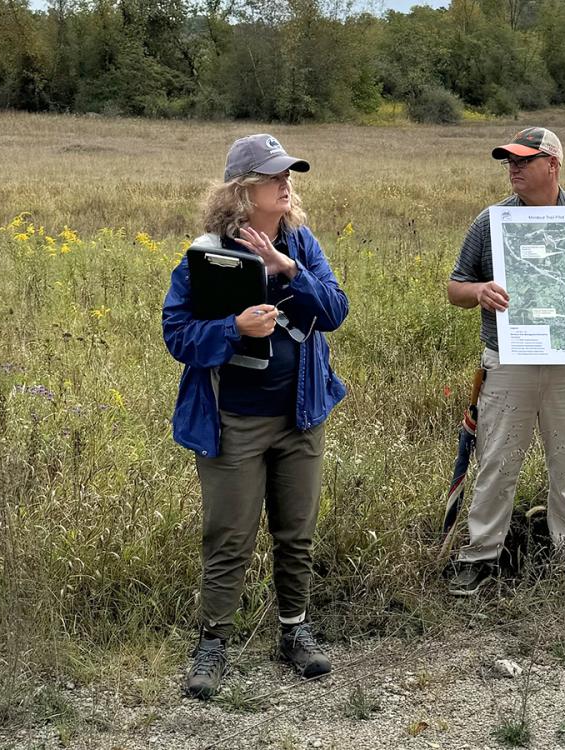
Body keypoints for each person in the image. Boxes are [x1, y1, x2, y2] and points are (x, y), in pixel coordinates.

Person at [162, 134, 349, 698]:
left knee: (296, 533)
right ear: (243, 192)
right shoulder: (206, 254)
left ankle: (294, 632)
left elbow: (336, 311)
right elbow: (176, 334)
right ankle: (214, 642)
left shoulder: (302, 243)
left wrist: (291, 269)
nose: (288, 185)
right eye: (276, 178)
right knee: (229, 536)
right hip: (233, 421)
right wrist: (232, 329)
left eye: (290, 175)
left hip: (301, 413)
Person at [446, 127, 565, 596]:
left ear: (552, 164)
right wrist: (478, 292)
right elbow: (455, 287)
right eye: (508, 161)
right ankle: (479, 555)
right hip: (509, 362)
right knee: (497, 461)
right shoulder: (491, 221)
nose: (512, 168)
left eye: (523, 161)